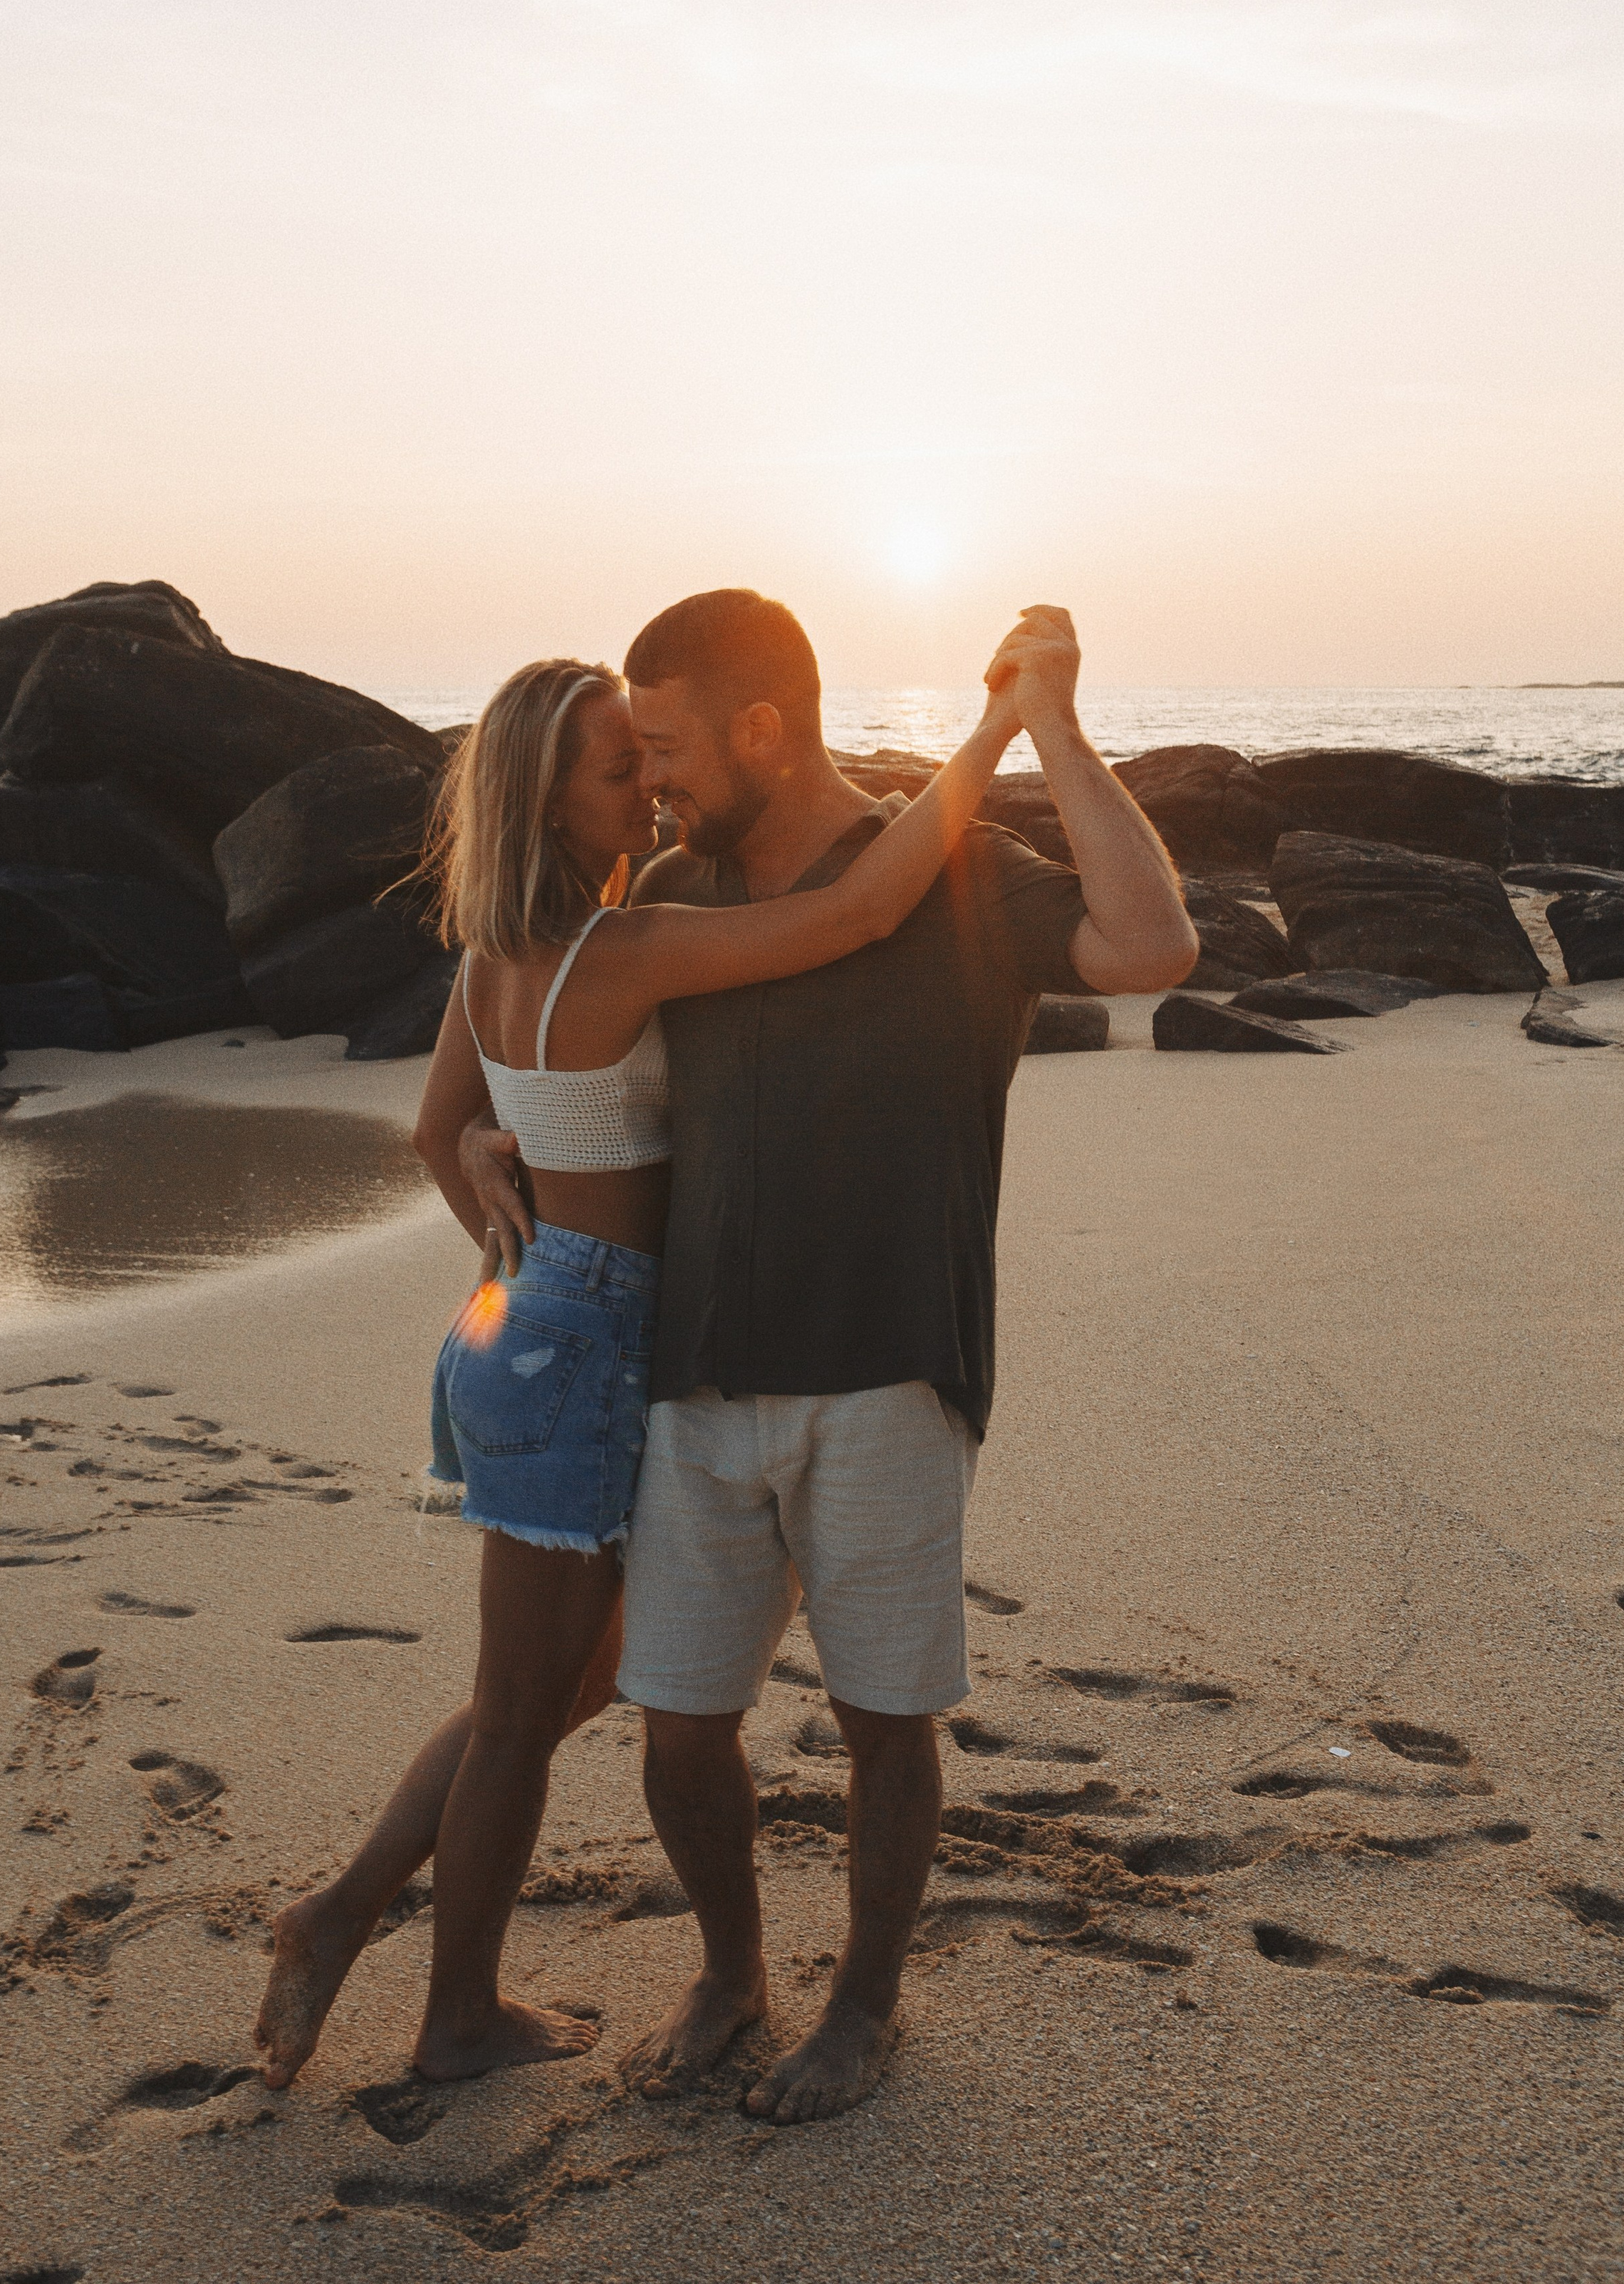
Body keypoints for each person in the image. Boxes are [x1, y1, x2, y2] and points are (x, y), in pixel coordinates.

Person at [253, 613, 1054, 2094]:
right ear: (547, 797)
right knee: (522, 1718)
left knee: (574, 1692)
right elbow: (858, 913)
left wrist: (514, 1227)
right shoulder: (620, 946)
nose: (646, 793)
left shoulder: (499, 947)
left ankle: (354, 1909)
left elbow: (441, 1133)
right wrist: (996, 730)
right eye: (621, 771)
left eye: (649, 760)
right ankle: (427, 1997)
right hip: (598, 1345)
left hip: (529, 1329)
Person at [458, 593, 1197, 2124]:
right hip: (690, 1372)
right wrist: (486, 1134)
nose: (649, 782)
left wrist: (1044, 728)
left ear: (758, 730)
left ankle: (862, 2006)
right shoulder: (672, 886)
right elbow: (537, 1036)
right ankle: (732, 1972)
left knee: (879, 1720)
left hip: (885, 1362)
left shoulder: (951, 868)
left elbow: (1150, 945)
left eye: (663, 746)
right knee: (677, 1730)